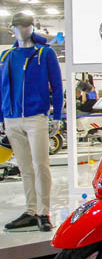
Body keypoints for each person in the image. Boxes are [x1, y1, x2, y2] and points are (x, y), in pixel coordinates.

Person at [0, 13, 63, 231]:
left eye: (26, 26)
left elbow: (56, 87)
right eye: (18, 26)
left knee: (41, 165)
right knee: (25, 167)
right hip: (11, 118)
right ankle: (30, 210)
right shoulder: (6, 55)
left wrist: (57, 116)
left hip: (36, 117)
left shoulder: (45, 54)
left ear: (32, 27)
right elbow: (1, 88)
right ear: (13, 29)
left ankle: (43, 211)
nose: (23, 30)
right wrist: (2, 117)